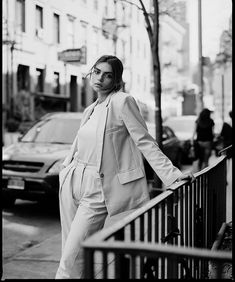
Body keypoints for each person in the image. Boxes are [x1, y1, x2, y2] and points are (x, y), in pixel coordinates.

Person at [55, 55, 194, 279]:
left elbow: (145, 142)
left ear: (117, 80)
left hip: (97, 188)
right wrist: (65, 169)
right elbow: (80, 145)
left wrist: (172, 176)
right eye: (97, 71)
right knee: (74, 256)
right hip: (72, 181)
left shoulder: (123, 102)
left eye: (108, 75)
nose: (100, 78)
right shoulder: (90, 109)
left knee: (69, 260)